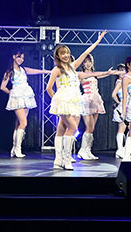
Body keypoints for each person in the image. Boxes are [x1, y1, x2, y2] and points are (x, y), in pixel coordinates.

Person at [45, 30, 107, 170]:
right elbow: (49, 88)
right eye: (63, 53)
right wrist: (57, 100)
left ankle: (58, 160)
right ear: (58, 56)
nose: (66, 55)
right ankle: (66, 160)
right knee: (73, 128)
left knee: (61, 129)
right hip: (63, 101)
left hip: (73, 101)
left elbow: (85, 53)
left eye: (67, 53)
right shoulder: (57, 69)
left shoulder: (73, 67)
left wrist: (98, 41)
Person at [0, 49, 50, 158]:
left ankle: (14, 148)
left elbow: (38, 71)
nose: (21, 60)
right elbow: (2, 87)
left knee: (18, 124)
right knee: (23, 123)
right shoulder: (9, 71)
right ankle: (18, 149)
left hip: (26, 96)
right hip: (17, 96)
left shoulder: (24, 69)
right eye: (19, 57)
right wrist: (12, 93)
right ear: (14, 56)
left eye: (22, 58)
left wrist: (50, 72)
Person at [77, 54, 118, 160]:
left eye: (89, 61)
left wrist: (108, 73)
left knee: (92, 128)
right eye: (85, 62)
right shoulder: (81, 74)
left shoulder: (94, 74)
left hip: (96, 100)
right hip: (87, 100)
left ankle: (88, 150)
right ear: (82, 63)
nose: (88, 64)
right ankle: (82, 150)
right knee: (89, 127)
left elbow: (101, 74)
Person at [110, 64, 128, 158]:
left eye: (124, 70)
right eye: (120, 71)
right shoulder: (120, 82)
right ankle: (120, 150)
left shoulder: (126, 81)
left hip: (129, 106)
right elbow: (113, 94)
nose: (122, 72)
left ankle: (124, 149)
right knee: (122, 129)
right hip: (123, 107)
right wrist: (119, 102)